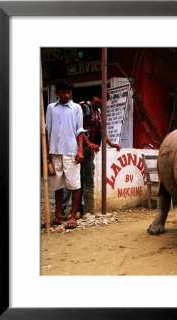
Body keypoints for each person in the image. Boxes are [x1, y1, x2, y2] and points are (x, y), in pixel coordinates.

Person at [61, 91, 121, 219]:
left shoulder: (98, 112)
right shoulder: (82, 106)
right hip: (76, 147)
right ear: (94, 97)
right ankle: (62, 207)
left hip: (88, 149)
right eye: (101, 98)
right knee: (70, 177)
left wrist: (111, 143)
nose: (103, 101)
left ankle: (78, 208)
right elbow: (78, 128)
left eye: (105, 100)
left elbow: (100, 129)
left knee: (83, 179)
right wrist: (88, 144)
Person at [46, 79, 85, 229]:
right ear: (57, 93)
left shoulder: (76, 108)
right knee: (57, 186)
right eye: (63, 92)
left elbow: (79, 130)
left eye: (69, 92)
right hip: (55, 152)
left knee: (74, 184)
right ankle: (58, 216)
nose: (67, 95)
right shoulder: (51, 108)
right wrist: (47, 153)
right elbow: (47, 130)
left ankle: (73, 215)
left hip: (71, 151)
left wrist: (80, 150)